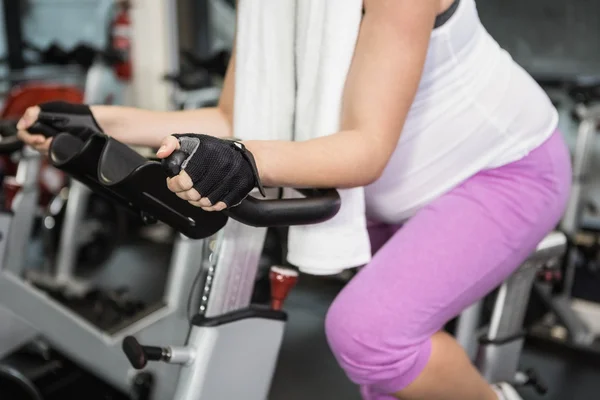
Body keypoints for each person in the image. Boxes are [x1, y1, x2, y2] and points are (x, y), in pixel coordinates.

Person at [18, 0, 571, 399]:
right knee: (383, 381)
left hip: (500, 169)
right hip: (390, 191)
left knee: (370, 337)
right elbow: (230, 117)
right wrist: (99, 121)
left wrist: (245, 161)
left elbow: (366, 147)